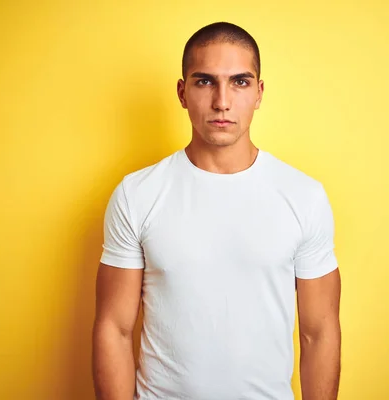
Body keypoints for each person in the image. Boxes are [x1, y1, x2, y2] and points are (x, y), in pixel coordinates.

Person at [92, 21, 341, 400]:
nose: (222, 101)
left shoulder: (303, 196)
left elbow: (319, 332)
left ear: (259, 93)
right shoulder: (137, 194)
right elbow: (114, 327)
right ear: (182, 91)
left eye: (239, 82)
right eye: (205, 81)